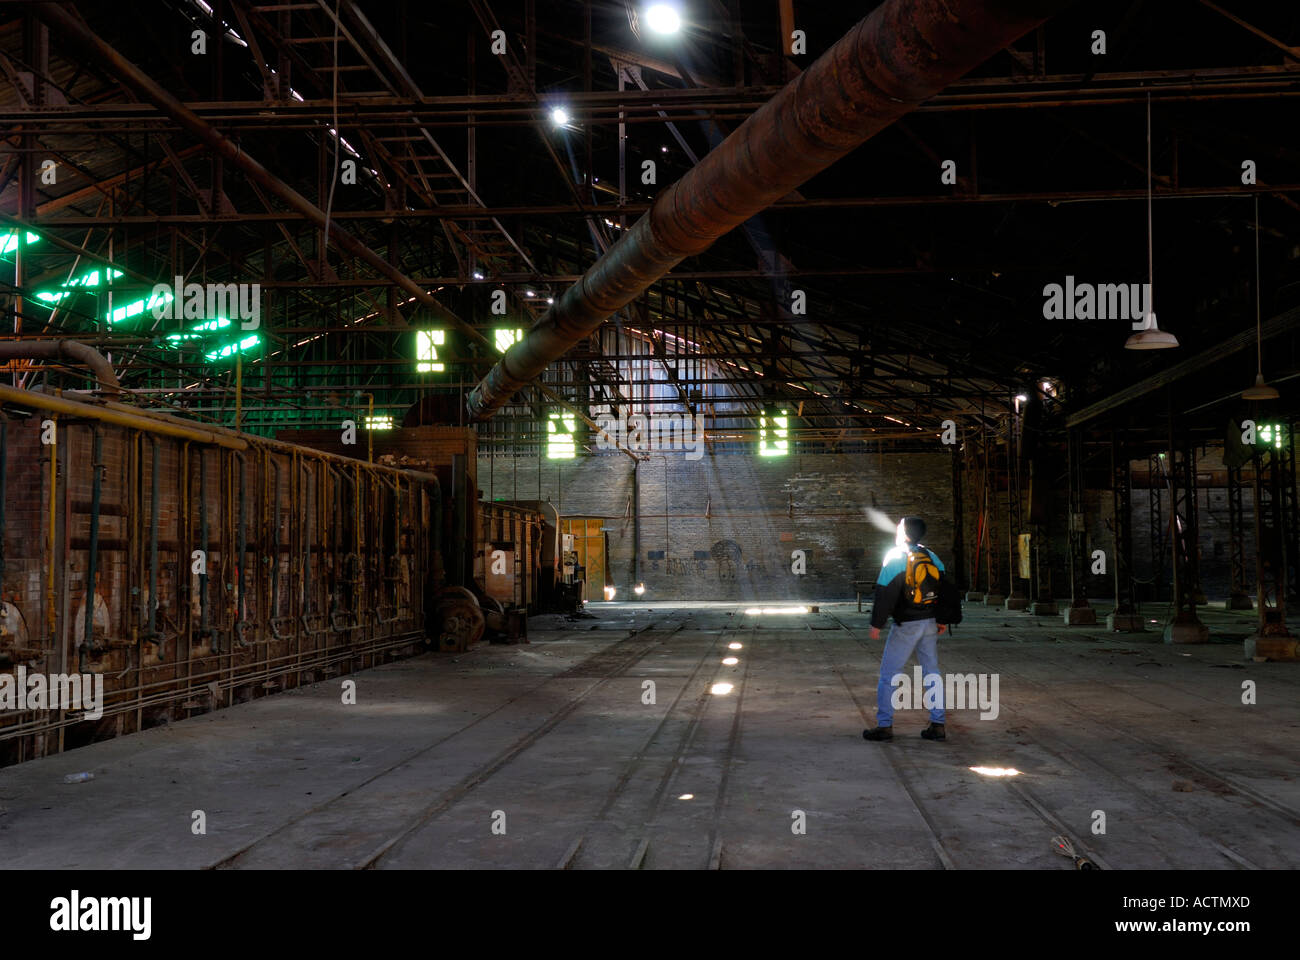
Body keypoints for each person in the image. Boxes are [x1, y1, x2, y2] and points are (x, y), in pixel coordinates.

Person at [863, 516, 949, 742]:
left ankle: (884, 725)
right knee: (932, 672)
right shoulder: (932, 557)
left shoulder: (895, 557)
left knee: (889, 675)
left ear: (905, 533)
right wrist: (942, 619)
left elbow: (885, 593)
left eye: (899, 528)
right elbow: (947, 590)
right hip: (930, 623)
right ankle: (938, 724)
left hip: (906, 626)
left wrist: (877, 623)